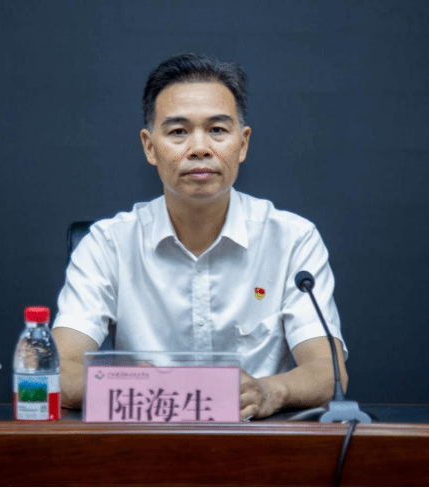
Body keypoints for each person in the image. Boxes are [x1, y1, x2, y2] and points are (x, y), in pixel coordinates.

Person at [52, 53, 348, 420]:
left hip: (258, 441)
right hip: (144, 441)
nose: (199, 148)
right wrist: (132, 384)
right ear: (149, 146)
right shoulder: (107, 244)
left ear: (243, 144)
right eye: (178, 132)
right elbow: (55, 368)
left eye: (217, 130)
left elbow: (328, 371)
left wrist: (269, 392)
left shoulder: (292, 239)